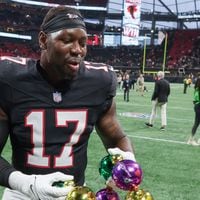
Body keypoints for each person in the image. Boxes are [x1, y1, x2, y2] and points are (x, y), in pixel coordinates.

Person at [0, 6, 136, 200]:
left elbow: (116, 138)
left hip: (75, 194)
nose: (77, 50)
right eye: (67, 40)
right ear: (43, 40)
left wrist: (127, 161)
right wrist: (24, 183)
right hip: (23, 192)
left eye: (83, 42)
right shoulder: (9, 79)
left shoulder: (99, 82)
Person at [187, 77, 200, 146]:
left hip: (197, 106)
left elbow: (194, 100)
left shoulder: (196, 88)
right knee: (196, 123)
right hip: (199, 106)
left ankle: (191, 139)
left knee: (196, 123)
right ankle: (191, 140)